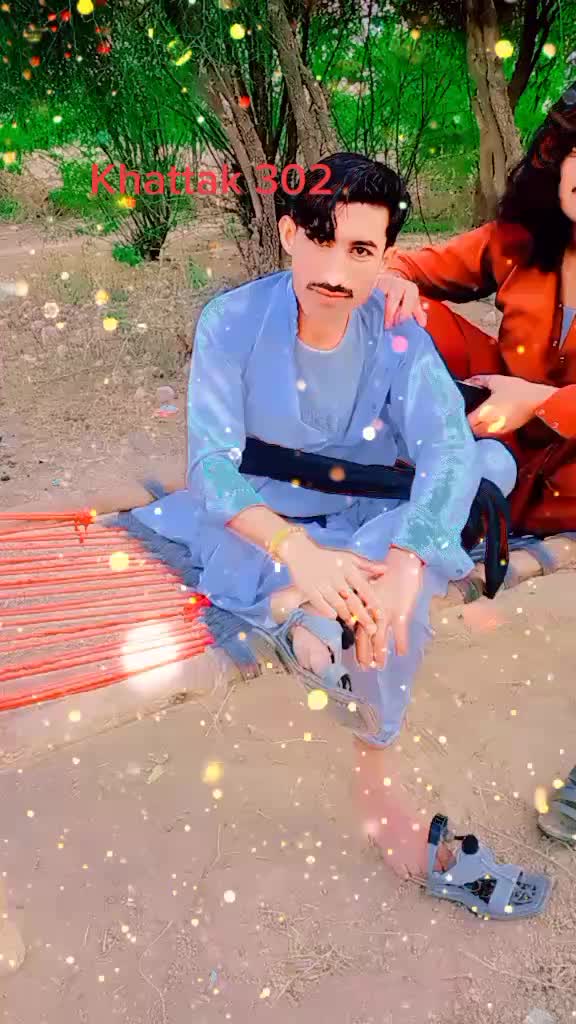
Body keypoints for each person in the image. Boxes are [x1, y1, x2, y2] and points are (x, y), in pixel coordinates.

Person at [124, 152, 550, 916]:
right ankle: (371, 764)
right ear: (289, 233)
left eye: (360, 250)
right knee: (360, 577)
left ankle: (321, 621)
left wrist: (409, 559)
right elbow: (212, 469)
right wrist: (298, 552)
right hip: (264, 520)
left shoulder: (395, 330)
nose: (335, 269)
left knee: (474, 474)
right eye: (320, 239)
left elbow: (446, 449)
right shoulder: (231, 322)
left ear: (385, 257)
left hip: (368, 517)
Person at [379, 81, 576, 540]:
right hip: (499, 421)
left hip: (567, 466)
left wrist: (540, 402)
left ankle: (488, 504)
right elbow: (406, 266)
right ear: (555, 156)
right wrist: (391, 281)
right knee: (404, 310)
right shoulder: (519, 239)